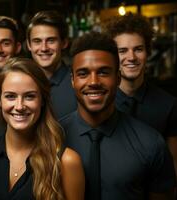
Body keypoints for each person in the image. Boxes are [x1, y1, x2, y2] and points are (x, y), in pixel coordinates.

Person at [60, 31, 176, 199]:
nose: (93, 82)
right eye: (83, 73)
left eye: (103, 72)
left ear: (118, 77)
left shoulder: (151, 144)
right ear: (72, 80)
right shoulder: (52, 138)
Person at [0, 57, 85, 200]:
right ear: (0, 101)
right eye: (10, 96)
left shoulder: (67, 161)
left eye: (29, 96)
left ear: (42, 100)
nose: (19, 106)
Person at [103, 12, 177, 179]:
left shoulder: (168, 105)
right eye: (122, 51)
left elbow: (173, 166)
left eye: (138, 49)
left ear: (148, 52)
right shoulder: (98, 102)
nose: (131, 57)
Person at [26, 10, 77, 119]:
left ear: (64, 43)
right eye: (37, 41)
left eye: (51, 40)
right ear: (29, 45)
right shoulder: (23, 81)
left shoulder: (78, 81)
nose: (44, 48)